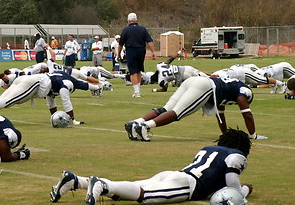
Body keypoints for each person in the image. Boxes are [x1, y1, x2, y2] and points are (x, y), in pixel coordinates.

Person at [50, 128, 252, 205]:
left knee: (129, 188)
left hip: (174, 175)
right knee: (141, 195)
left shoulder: (209, 148)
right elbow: (232, 187)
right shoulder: (237, 155)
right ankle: (101, 185)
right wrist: (245, 191)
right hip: (187, 185)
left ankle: (76, 181)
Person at [125, 76, 267, 142]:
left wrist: (225, 135)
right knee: (177, 114)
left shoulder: (230, 89)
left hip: (194, 80)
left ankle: (136, 123)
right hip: (205, 86)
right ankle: (145, 126)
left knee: (167, 108)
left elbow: (220, 115)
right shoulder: (244, 92)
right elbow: (247, 115)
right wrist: (253, 135)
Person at [0, 71, 102, 124]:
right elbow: (65, 101)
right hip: (35, 83)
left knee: (0, 100)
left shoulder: (63, 79)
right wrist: (72, 120)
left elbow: (84, 85)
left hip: (28, 79)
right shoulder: (65, 85)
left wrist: (98, 87)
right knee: (6, 102)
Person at [118, 13, 156, 98]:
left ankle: (137, 92)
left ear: (128, 21)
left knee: (133, 72)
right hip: (141, 50)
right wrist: (153, 51)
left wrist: (119, 54)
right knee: (138, 71)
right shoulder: (143, 29)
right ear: (136, 20)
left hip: (131, 50)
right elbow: (149, 41)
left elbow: (121, 44)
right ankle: (138, 90)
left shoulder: (126, 30)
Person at [212, 66, 287, 94]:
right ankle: (273, 85)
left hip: (244, 73)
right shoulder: (216, 74)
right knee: (256, 83)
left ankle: (282, 84)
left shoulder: (224, 77)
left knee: (261, 80)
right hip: (240, 76)